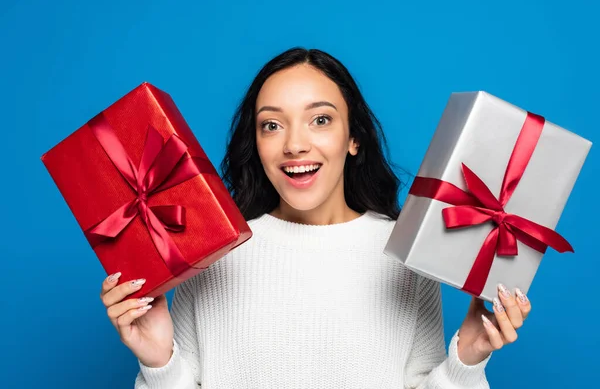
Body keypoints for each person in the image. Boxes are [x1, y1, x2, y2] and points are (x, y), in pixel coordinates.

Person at [100, 48, 531, 388]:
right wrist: (159, 363)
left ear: (354, 138)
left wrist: (466, 361)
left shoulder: (403, 256)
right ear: (257, 142)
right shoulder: (216, 252)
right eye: (272, 125)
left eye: (320, 120)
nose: (294, 144)